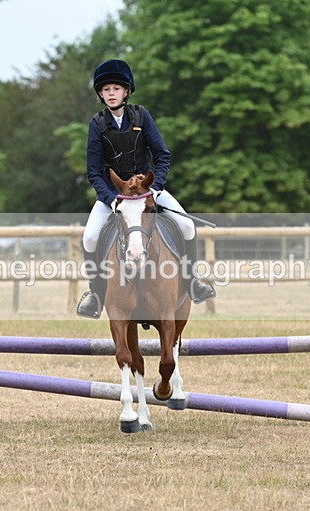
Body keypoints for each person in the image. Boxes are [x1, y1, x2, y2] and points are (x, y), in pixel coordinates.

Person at [76, 59, 216, 319]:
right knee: (90, 238)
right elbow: (94, 172)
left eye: (116, 88)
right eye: (105, 89)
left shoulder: (141, 116)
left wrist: (156, 187)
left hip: (147, 191)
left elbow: (162, 155)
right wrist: (112, 199)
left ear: (127, 91)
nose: (110, 93)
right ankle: (95, 295)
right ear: (100, 94)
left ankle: (194, 280)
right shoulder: (96, 124)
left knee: (187, 227)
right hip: (114, 196)